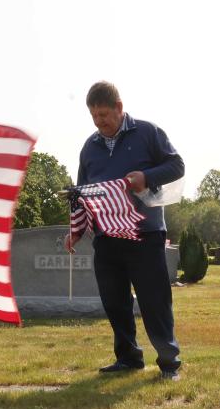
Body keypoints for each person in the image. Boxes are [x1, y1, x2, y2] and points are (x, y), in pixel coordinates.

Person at [65, 81, 185, 380]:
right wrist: (76, 230)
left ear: (119, 107)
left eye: (104, 114)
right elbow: (82, 193)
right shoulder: (89, 147)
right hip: (106, 238)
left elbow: (177, 165)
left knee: (154, 301)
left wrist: (146, 176)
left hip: (145, 234)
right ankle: (129, 358)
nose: (99, 121)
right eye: (94, 116)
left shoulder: (147, 133)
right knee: (114, 302)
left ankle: (169, 363)